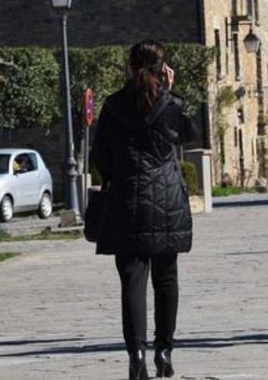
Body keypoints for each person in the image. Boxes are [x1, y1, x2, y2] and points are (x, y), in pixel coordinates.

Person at [92, 40, 199, 379]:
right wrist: (171, 92)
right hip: (167, 202)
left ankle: (136, 355)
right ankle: (164, 352)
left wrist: (119, 173)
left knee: (132, 282)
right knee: (166, 280)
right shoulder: (171, 105)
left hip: (126, 201)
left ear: (129, 65)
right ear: (162, 67)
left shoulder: (111, 107)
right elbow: (191, 135)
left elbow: (100, 158)